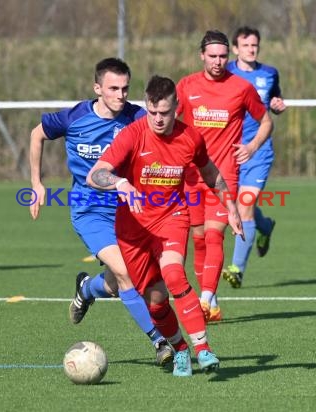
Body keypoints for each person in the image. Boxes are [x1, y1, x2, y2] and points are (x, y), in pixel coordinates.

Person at [86, 75, 244, 376]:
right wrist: (120, 182)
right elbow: (96, 174)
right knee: (156, 303)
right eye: (153, 112)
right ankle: (181, 348)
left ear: (176, 109)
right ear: (146, 106)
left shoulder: (190, 137)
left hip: (171, 217)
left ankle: (203, 349)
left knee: (174, 274)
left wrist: (231, 206)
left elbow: (210, 173)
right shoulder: (132, 135)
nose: (158, 119)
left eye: (165, 113)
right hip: (132, 229)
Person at [29, 57, 173, 366]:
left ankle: (87, 288)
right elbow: (36, 134)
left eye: (125, 88)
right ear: (98, 88)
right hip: (90, 209)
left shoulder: (138, 117)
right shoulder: (74, 117)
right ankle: (159, 341)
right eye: (113, 89)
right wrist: (36, 183)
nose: (121, 95)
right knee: (126, 274)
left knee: (124, 277)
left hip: (131, 211)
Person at [176, 30, 273, 320]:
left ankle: (204, 301)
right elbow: (165, 121)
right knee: (199, 240)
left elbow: (265, 120)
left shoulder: (241, 87)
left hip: (225, 176)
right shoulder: (187, 86)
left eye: (223, 56)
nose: (218, 61)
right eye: (213, 56)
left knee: (215, 235)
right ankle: (213, 302)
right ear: (202, 56)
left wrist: (252, 146)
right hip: (191, 176)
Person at [221, 26, 286, 288]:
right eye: (246, 46)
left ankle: (237, 269)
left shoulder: (269, 73)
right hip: (230, 151)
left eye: (254, 46)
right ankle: (265, 227)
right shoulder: (226, 75)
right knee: (237, 205)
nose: (251, 49)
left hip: (258, 152)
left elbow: (274, 102)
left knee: (243, 206)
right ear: (235, 49)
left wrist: (277, 106)